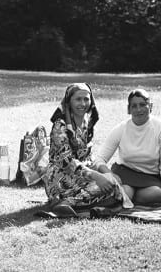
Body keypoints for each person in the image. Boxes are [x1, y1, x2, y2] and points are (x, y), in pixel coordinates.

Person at [44, 83, 125, 215]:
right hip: (60, 176)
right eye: (78, 99)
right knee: (107, 189)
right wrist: (96, 176)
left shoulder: (87, 122)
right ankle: (64, 202)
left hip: (83, 173)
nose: (83, 103)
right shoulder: (60, 126)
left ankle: (73, 203)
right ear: (69, 102)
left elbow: (88, 156)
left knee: (113, 185)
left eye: (86, 99)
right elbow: (66, 162)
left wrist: (106, 173)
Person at [93, 89, 161, 204]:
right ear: (128, 109)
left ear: (150, 106)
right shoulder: (121, 129)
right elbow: (99, 159)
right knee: (126, 192)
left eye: (142, 105)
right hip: (124, 173)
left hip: (149, 176)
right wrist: (110, 175)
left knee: (156, 194)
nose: (138, 109)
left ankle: (127, 200)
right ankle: (127, 197)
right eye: (134, 106)